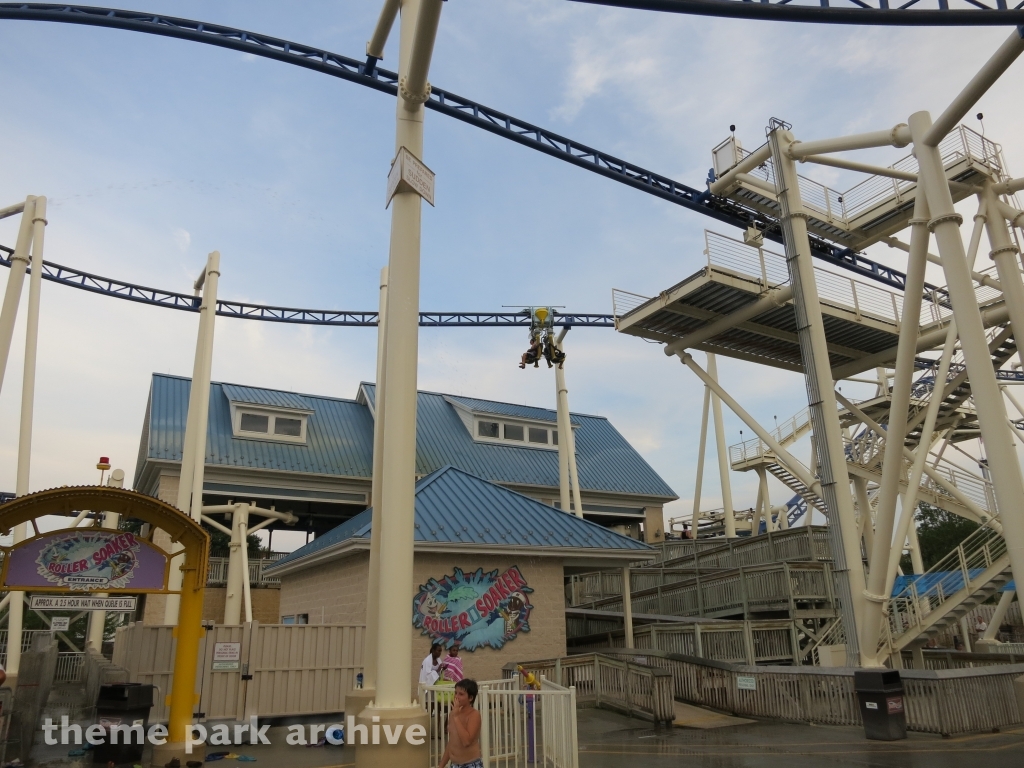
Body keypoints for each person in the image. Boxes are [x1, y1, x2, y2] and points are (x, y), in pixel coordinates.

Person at [439, 679, 481, 768]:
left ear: (470, 698)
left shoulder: (474, 715)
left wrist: (456, 717)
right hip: (454, 765)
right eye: (456, 693)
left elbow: (466, 742)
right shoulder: (453, 714)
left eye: (461, 694)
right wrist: (441, 765)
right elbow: (452, 743)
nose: (456, 697)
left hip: (470, 764)